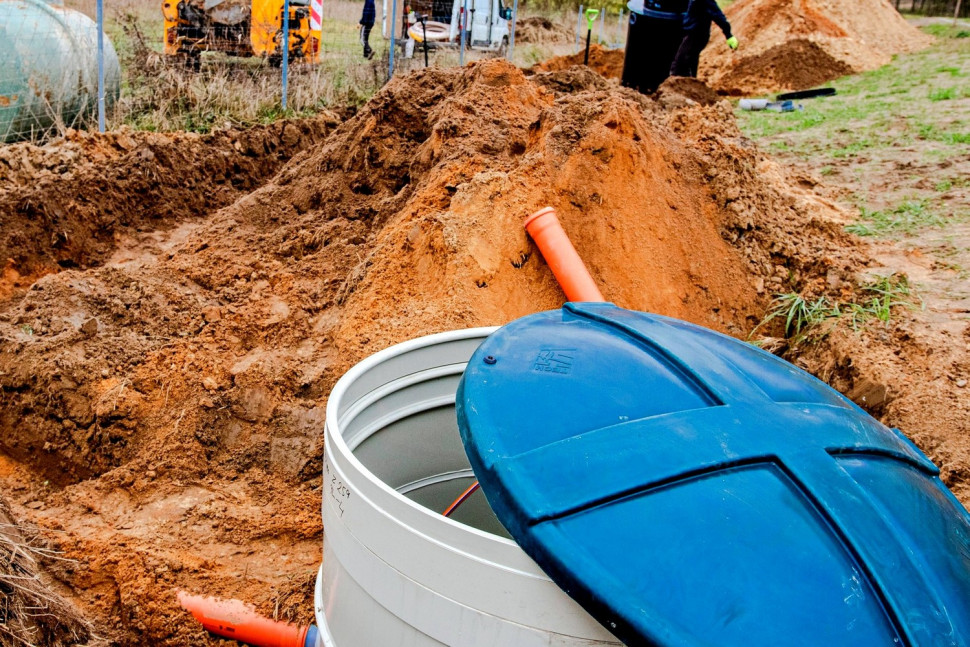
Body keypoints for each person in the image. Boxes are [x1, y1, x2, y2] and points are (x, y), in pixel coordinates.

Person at [670, 0, 739, 78]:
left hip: (696, 34)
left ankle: (686, 85)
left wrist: (728, 35)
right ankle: (692, 83)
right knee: (690, 62)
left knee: (680, 66)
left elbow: (717, 15)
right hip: (689, 33)